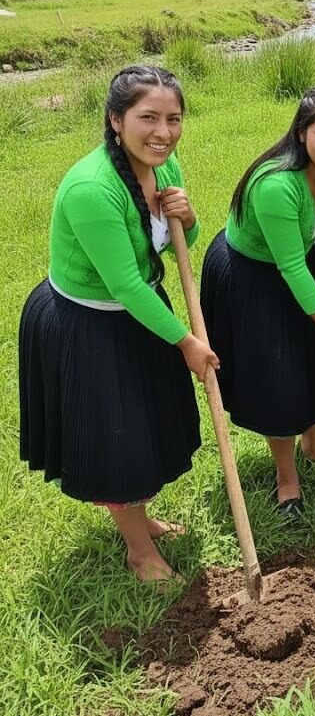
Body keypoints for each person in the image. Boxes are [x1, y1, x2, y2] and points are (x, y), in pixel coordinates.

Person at [19, 66, 218, 584]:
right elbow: (126, 285)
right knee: (118, 438)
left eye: (173, 119)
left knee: (148, 424)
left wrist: (189, 220)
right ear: (115, 120)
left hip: (140, 316)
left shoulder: (163, 167)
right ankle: (138, 552)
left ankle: (142, 517)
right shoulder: (93, 188)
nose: (163, 132)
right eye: (148, 118)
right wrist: (187, 343)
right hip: (89, 327)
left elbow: (174, 249)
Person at [200, 85, 315, 518]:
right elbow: (290, 266)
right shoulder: (276, 186)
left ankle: (313, 445)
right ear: (301, 134)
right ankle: (286, 477)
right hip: (255, 277)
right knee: (277, 377)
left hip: (301, 259)